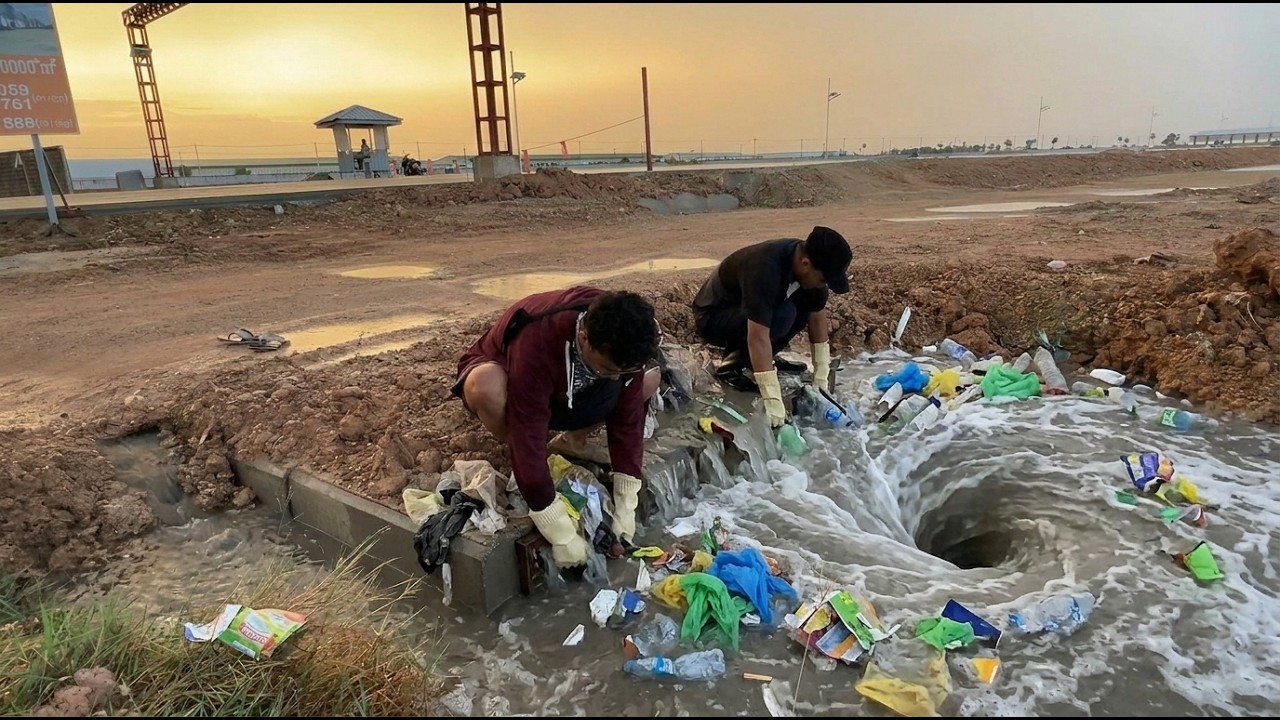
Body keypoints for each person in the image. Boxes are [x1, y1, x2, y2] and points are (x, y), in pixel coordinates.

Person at [452, 286, 662, 568]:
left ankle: (571, 439)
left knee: (648, 380)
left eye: (621, 371)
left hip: (571, 394)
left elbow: (628, 419)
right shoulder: (539, 337)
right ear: (584, 339)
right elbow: (527, 423)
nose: (615, 377)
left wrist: (627, 497)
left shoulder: (626, 338)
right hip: (518, 388)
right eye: (606, 369)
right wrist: (556, 526)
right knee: (485, 385)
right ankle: (522, 463)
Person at [691, 226, 853, 427]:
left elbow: (818, 317)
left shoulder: (808, 265)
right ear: (805, 264)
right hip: (714, 317)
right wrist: (772, 398)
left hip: (746, 313)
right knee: (784, 314)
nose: (822, 284)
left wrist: (821, 376)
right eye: (822, 279)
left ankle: (760, 359)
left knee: (803, 306)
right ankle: (731, 366)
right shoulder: (765, 267)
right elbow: (758, 336)